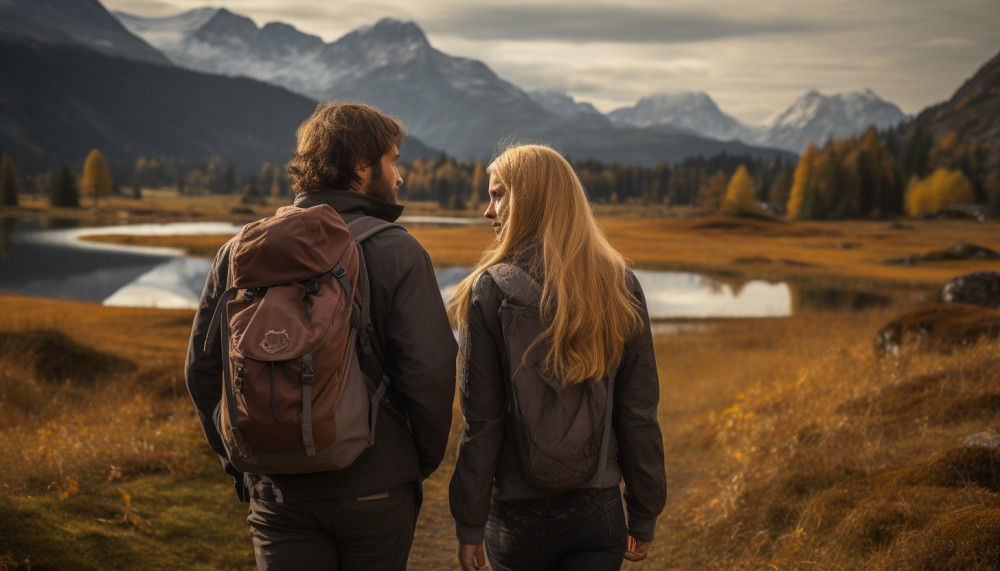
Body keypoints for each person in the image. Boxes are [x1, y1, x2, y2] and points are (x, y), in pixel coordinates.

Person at [185, 102, 457, 571]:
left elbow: (203, 371)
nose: (400, 177)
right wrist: (415, 462)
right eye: (393, 161)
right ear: (362, 165)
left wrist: (239, 458)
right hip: (376, 485)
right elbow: (430, 371)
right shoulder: (399, 251)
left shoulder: (240, 250)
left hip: (277, 491)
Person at [448, 144, 667, 571]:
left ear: (530, 200)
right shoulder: (620, 284)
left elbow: (482, 423)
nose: (488, 212)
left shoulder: (488, 291)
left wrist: (470, 523)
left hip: (516, 518)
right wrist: (644, 510)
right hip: (598, 510)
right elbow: (638, 411)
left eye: (498, 195)